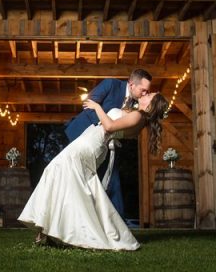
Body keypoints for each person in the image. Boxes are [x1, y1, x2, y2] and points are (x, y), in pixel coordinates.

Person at [18, 91, 169, 251]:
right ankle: (47, 231)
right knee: (60, 177)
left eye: (150, 95)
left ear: (150, 104)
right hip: (92, 141)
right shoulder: (137, 117)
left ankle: (55, 231)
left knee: (57, 172)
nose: (146, 93)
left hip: (91, 144)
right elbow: (116, 129)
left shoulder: (139, 117)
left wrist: (97, 107)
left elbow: (110, 126)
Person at [63, 69, 152, 219]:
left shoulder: (138, 106)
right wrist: (103, 126)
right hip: (81, 135)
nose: (144, 94)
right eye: (143, 90)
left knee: (111, 180)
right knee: (73, 178)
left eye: (147, 91)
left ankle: (116, 222)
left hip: (105, 145)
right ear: (131, 84)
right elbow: (88, 105)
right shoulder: (111, 84)